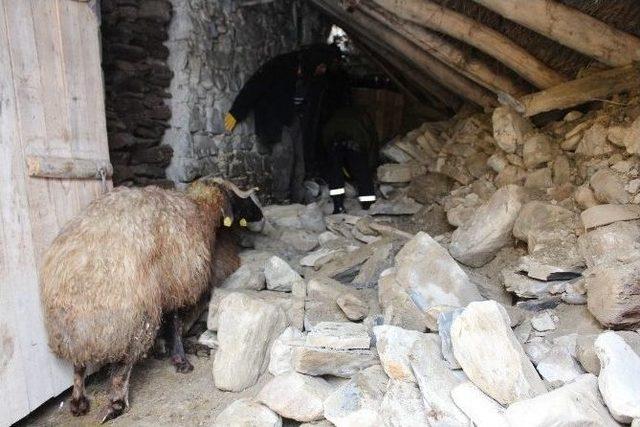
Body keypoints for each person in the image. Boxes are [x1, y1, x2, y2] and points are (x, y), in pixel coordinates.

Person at [224, 45, 340, 203]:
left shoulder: (312, 77)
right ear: (313, 62)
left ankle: (297, 199)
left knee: (300, 161)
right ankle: (281, 200)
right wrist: (236, 112)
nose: (323, 70)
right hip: (275, 120)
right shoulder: (281, 66)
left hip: (293, 119)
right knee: (285, 157)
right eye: (322, 66)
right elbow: (255, 85)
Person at [322, 104, 378, 214]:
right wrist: (370, 167)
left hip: (334, 142)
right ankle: (369, 206)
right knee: (363, 173)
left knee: (335, 173)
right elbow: (372, 148)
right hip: (354, 142)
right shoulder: (363, 119)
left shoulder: (334, 117)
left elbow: (325, 142)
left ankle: (338, 206)